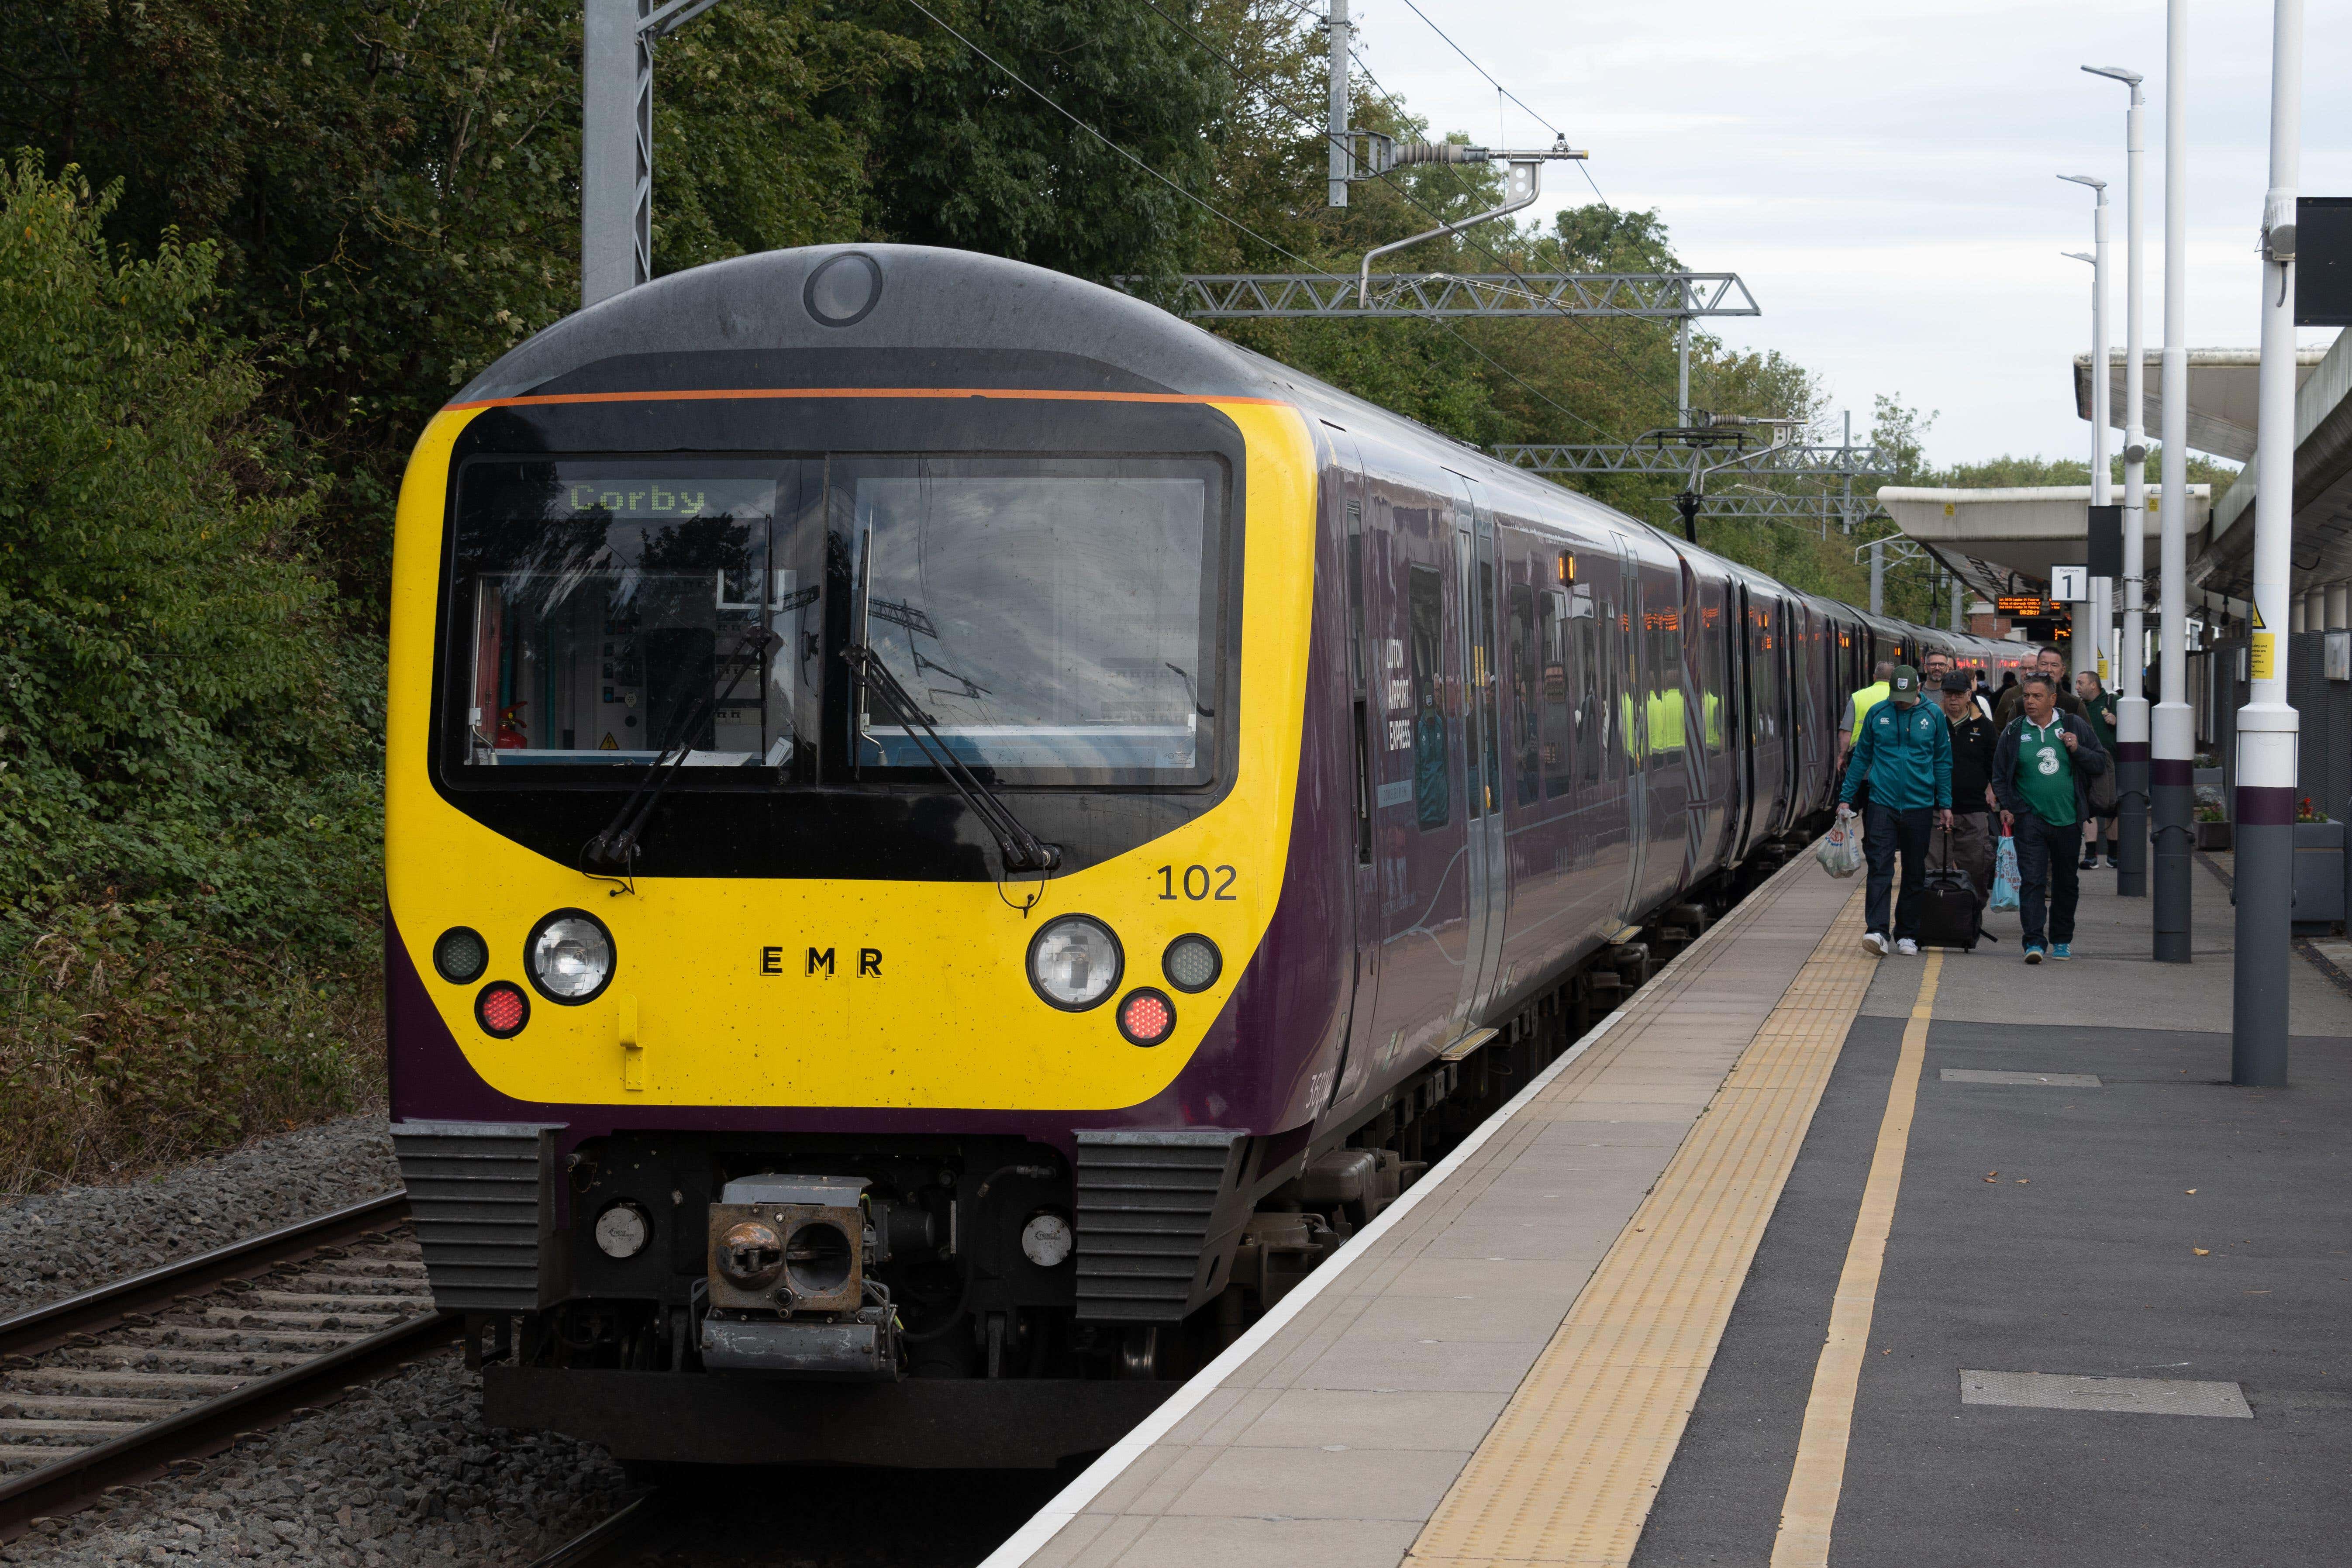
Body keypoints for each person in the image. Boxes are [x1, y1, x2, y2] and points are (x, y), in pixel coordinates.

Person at [1993, 672, 2111, 963]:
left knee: (2065, 882)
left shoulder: (2074, 726)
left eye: (2037, 696)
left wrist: (2076, 747)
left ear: (2053, 699)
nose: (2030, 702)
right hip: (2029, 818)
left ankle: (2061, 939)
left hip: (2068, 819)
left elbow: (2099, 762)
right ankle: (2033, 941)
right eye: (2027, 696)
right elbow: (1999, 773)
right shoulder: (2014, 730)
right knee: (2032, 881)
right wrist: (2009, 805)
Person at [1838, 664, 1953, 958]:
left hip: (1920, 804)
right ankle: (1877, 931)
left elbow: (1942, 761)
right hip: (1882, 802)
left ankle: (1907, 933)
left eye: (1906, 695)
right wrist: (1845, 798)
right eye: (1896, 695)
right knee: (1880, 867)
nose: (1900, 701)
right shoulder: (1878, 713)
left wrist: (1946, 804)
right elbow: (1861, 756)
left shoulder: (1933, 715)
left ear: (1917, 691)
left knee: (1915, 871)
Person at [1936, 670, 2000, 912]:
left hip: (1973, 808)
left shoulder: (1985, 727)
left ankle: (1972, 916)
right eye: (1948, 694)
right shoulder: (1932, 722)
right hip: (1935, 808)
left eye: (1958, 694)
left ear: (1969, 695)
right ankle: (1938, 917)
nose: (1953, 699)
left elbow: (1995, 765)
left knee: (1976, 867)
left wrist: (1994, 791)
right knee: (1933, 868)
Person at [2075, 669, 2121, 868]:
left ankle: (2114, 855)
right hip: (2088, 763)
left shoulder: (2115, 702)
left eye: (2080, 683)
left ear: (2094, 685)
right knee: (2088, 807)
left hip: (2112, 765)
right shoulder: (2079, 707)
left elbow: (2142, 727)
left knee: (2113, 808)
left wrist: (2118, 722)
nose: (2077, 687)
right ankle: (2091, 856)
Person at [1994, 644, 2086, 730]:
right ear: (2037, 668)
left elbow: (2091, 745)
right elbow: (2003, 737)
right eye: (2044, 664)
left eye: (2054, 665)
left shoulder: (2075, 705)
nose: (2049, 670)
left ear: (2063, 671)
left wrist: (2075, 746)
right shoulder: (2019, 705)